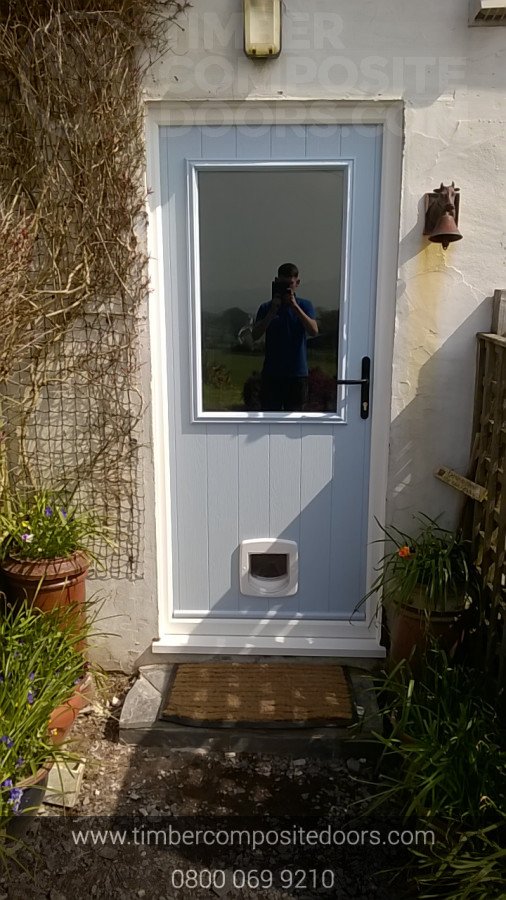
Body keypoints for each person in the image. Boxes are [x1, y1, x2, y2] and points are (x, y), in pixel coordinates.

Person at [252, 262, 318, 411]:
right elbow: (255, 335)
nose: (287, 288)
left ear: (297, 283)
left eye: (290, 284)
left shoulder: (305, 305)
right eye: (282, 285)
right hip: (272, 374)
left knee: (294, 422)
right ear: (276, 282)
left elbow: (314, 331)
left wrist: (295, 307)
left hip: (297, 374)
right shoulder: (266, 307)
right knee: (269, 419)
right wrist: (271, 313)